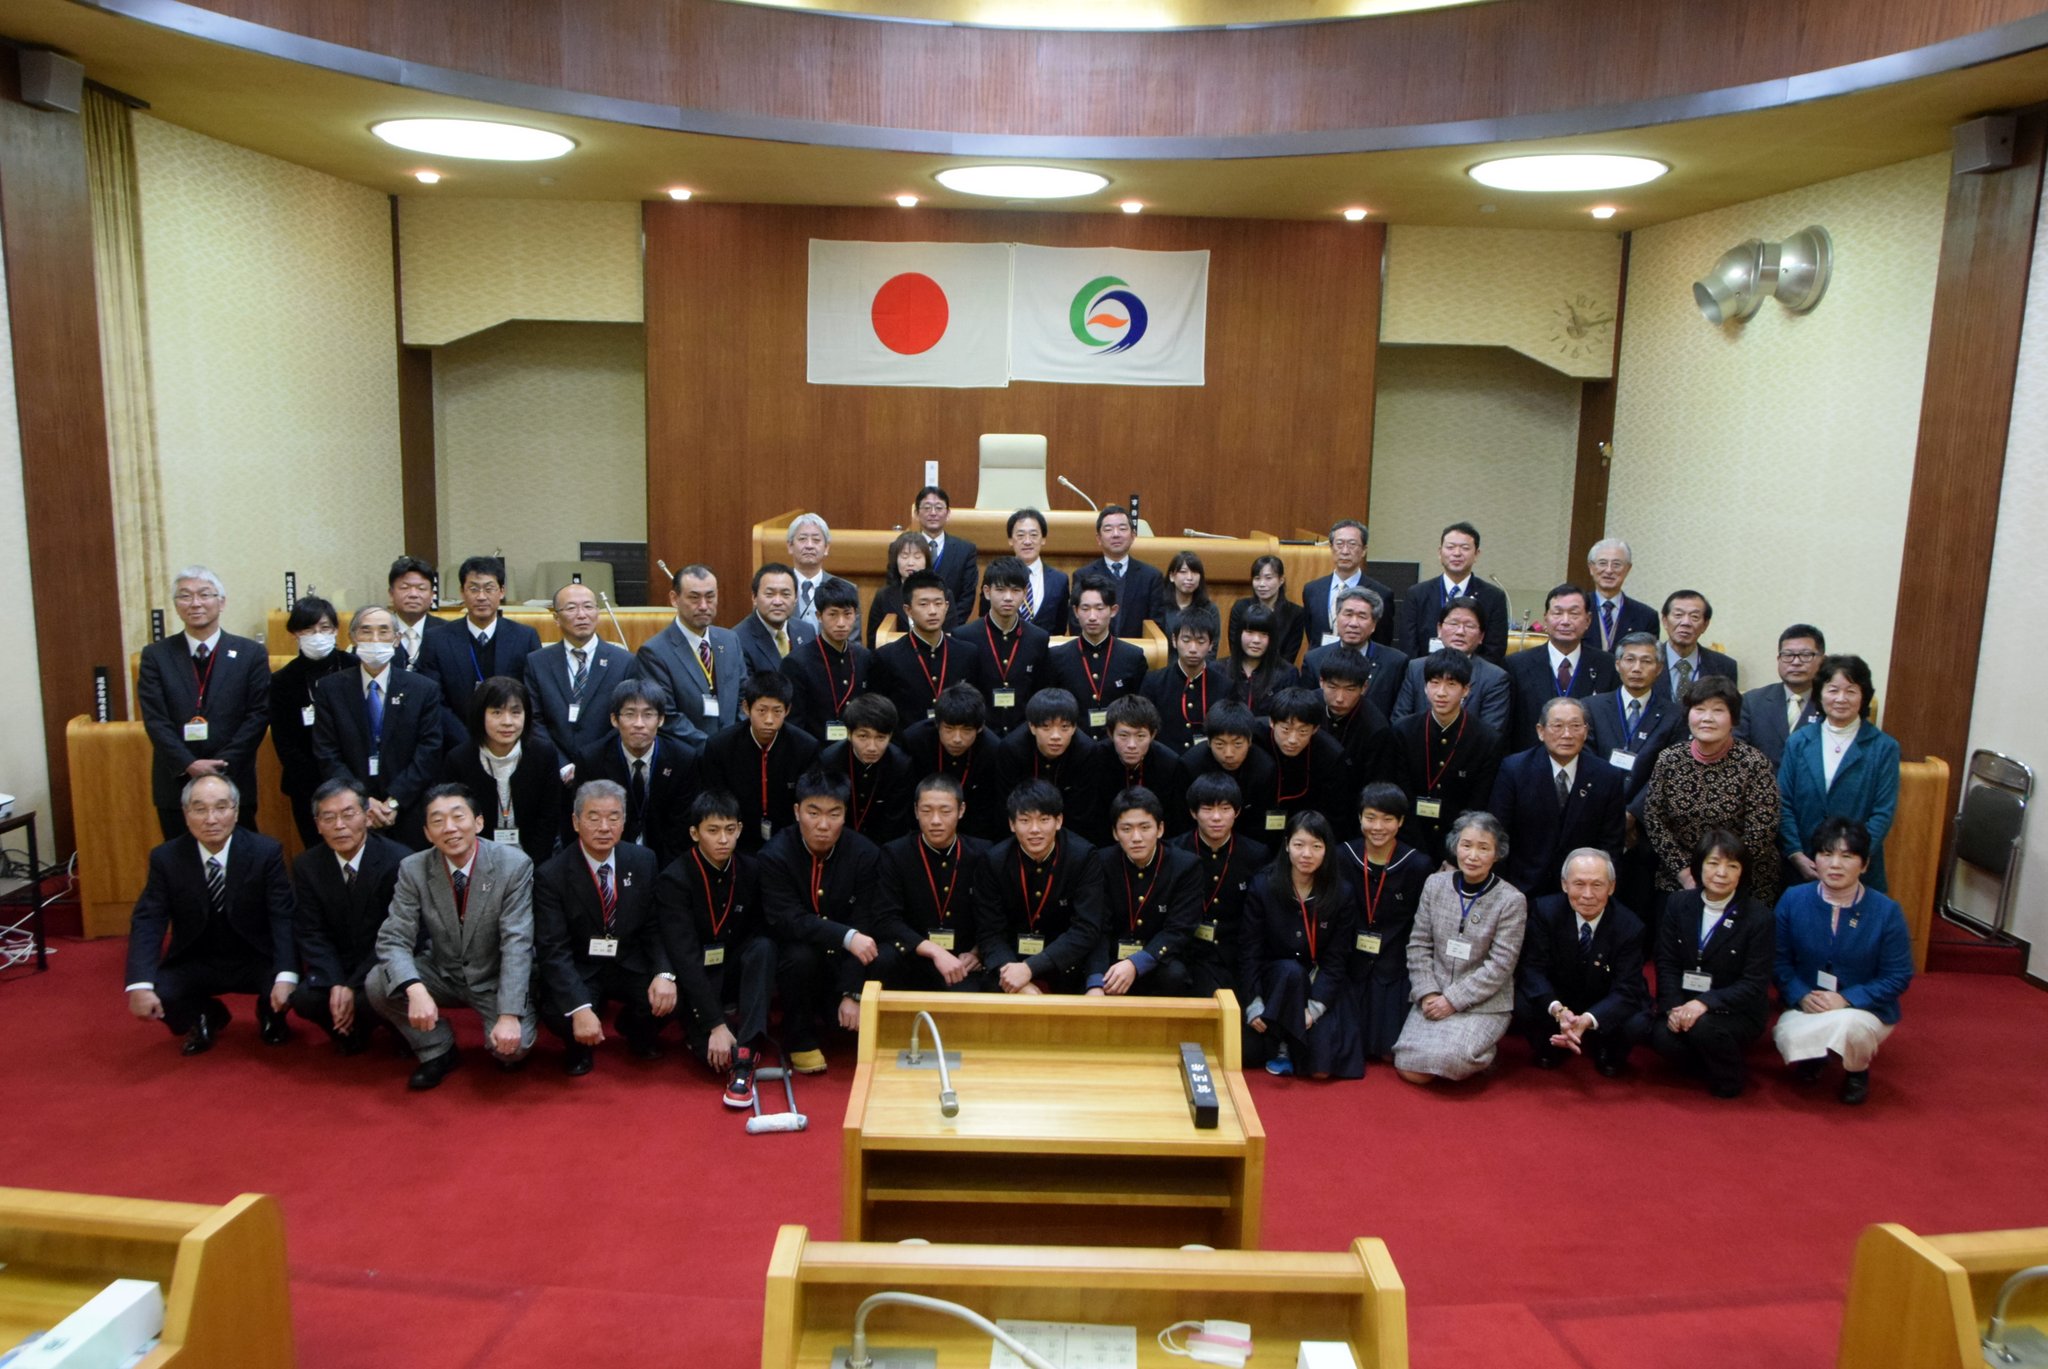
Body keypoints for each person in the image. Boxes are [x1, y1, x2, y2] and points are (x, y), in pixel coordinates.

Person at [364, 784, 539, 1090]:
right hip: (442, 970)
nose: (450, 828)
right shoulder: (413, 868)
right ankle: (437, 1047)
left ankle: (512, 1019)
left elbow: (518, 943)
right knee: (379, 983)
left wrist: (509, 1014)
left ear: (479, 822)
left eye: (458, 817)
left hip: (493, 978)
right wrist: (415, 989)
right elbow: (394, 938)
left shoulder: (514, 865)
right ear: (427, 833)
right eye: (437, 821)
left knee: (513, 1050)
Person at [124, 774, 297, 1055]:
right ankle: (205, 1015)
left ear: (236, 811)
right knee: (161, 991)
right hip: (197, 958)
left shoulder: (266, 852)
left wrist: (287, 975)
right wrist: (138, 984)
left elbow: (283, 916)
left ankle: (270, 1014)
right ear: (186, 813)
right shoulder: (166, 858)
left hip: (254, 956)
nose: (211, 819)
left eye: (220, 807)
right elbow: (148, 920)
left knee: (290, 981)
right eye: (200, 809)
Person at [531, 780, 673, 1075]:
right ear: (575, 822)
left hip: (628, 960)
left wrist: (664, 973)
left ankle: (634, 1030)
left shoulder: (643, 860)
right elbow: (552, 949)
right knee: (560, 1012)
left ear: (624, 822)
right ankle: (578, 1048)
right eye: (593, 818)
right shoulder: (552, 874)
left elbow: (654, 926)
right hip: (582, 965)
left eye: (614, 817)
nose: (604, 827)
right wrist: (580, 1008)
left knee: (674, 994)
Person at [1772, 818, 1914, 1105]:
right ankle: (1816, 1055)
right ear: (1815, 860)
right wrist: (1800, 994)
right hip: (1809, 1004)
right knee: (1786, 1036)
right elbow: (1777, 960)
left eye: (1846, 856)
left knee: (1852, 1028)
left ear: (1864, 864)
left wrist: (1846, 999)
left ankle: (1856, 1071)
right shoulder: (1793, 899)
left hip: (1863, 1008)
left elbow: (1897, 975)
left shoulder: (1886, 912)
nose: (1835, 864)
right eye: (1826, 854)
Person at [758, 768, 891, 1073]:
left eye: (834, 814)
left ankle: (839, 1004)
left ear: (845, 815)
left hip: (847, 959)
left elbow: (866, 922)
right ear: (796, 811)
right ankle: (798, 1037)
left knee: (876, 948)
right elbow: (787, 919)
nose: (823, 824)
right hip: (799, 952)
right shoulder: (775, 854)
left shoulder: (865, 854)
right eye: (813, 813)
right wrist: (846, 936)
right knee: (799, 955)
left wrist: (852, 992)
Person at [654, 789, 776, 1109]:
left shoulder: (751, 870)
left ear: (739, 829)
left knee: (763, 947)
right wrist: (715, 1024)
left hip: (733, 966)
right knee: (712, 1058)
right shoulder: (674, 878)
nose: (723, 839)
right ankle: (719, 1031)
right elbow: (684, 957)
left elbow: (758, 929)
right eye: (713, 830)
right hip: (695, 973)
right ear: (695, 833)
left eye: (730, 829)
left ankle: (747, 1052)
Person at [1634, 828, 1773, 1099]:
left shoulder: (1759, 917)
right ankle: (1707, 1061)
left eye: (1732, 866)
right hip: (1684, 1002)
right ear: (1699, 866)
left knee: (1703, 1027)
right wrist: (1674, 1008)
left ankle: (1730, 1076)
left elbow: (1754, 983)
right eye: (1713, 863)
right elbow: (1666, 961)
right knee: (1661, 1037)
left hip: (1734, 1012)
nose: (1721, 873)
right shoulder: (1678, 904)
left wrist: (1704, 1004)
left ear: (1742, 872)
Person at [1393, 810, 1527, 1083]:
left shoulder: (1512, 900)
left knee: (1450, 1060)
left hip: (1483, 1002)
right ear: (1455, 846)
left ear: (1497, 853)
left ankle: (1482, 1052)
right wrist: (1428, 992)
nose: (1473, 855)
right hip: (1435, 994)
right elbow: (1418, 944)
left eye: (1483, 848)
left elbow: (1500, 966)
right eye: (1466, 845)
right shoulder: (1435, 884)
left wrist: (1453, 1000)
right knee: (1407, 1065)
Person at [138, 566, 271, 839]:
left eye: (204, 595)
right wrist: (189, 764)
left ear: (221, 602)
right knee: (181, 865)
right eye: (185, 596)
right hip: (176, 780)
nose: (195, 603)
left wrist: (223, 764)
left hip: (234, 778)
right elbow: (155, 719)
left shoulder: (250, 653)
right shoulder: (156, 656)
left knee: (240, 863)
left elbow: (258, 715)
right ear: (176, 605)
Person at [287, 778, 407, 1055]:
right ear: (317, 825)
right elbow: (310, 931)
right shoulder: (307, 866)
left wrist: (352, 985)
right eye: (328, 818)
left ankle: (391, 1026)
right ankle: (350, 1029)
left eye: (348, 814)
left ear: (367, 817)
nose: (339, 825)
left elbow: (397, 933)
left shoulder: (397, 860)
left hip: (381, 963)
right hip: (337, 964)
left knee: (373, 996)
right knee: (304, 999)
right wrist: (335, 981)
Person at [312, 606, 446, 848]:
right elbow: (326, 752)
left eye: (383, 632)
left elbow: (429, 750)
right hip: (351, 811)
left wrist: (394, 801)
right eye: (366, 631)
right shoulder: (330, 689)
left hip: (409, 807)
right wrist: (362, 802)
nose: (375, 639)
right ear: (352, 638)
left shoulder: (423, 689)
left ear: (396, 640)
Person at [1642, 676, 1782, 908]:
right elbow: (1654, 819)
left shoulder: (1754, 763)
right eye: (1699, 709)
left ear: (1733, 719)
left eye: (1718, 711)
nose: (1707, 718)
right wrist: (1684, 872)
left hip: (1741, 878)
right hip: (1680, 877)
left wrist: (1720, 873)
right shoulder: (1670, 759)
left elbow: (1762, 829)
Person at [1240, 811, 1359, 1078]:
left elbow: (1337, 958)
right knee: (1290, 971)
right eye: (1299, 845)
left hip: (1319, 980)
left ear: (1327, 850)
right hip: (1276, 979)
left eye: (1316, 846)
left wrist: (1315, 1008)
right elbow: (1250, 950)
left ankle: (1292, 1041)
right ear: (1286, 846)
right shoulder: (1263, 885)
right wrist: (1254, 1002)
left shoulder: (1341, 893)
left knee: (1321, 1071)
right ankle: (1281, 1045)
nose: (1307, 854)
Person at [1513, 849, 1647, 1075]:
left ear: (1611, 887)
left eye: (1597, 885)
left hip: (1603, 999)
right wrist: (1558, 1009)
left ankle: (1606, 1049)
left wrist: (1589, 1018)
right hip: (1560, 997)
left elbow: (1627, 988)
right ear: (1564, 884)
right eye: (1579, 884)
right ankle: (1550, 1046)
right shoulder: (1544, 912)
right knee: (1521, 1002)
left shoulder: (1630, 926)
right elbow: (1533, 970)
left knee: (1637, 1019)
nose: (1587, 894)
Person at [1778, 654, 1901, 891]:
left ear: (1864, 695)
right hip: (1802, 864)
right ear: (1819, 693)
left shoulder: (1884, 747)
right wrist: (1795, 853)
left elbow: (1882, 813)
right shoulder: (1799, 741)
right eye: (1833, 690)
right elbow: (1783, 802)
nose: (1841, 699)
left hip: (1859, 870)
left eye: (1851, 691)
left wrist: (1851, 860)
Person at [972, 781, 1107, 994]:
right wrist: (1016, 979)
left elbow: (1086, 928)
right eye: (1025, 821)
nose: (1035, 830)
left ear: (1059, 821)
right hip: (1010, 964)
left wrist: (1031, 968)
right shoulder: (994, 861)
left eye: (1044, 820)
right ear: (1011, 824)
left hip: (1064, 963)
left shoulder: (1082, 857)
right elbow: (990, 932)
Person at [1488, 697, 1626, 897]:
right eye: (1558, 726)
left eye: (1575, 726)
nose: (1567, 734)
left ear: (1586, 731)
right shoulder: (1514, 769)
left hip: (1581, 892)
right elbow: (1498, 833)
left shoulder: (1607, 776)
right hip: (1521, 887)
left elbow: (1611, 844)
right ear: (1540, 731)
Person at [411, 555, 542, 749]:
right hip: (454, 745)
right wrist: (466, 741)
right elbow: (433, 699)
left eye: (489, 589)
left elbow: (532, 696)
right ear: (462, 592)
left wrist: (507, 734)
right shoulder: (437, 639)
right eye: (473, 589)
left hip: (512, 742)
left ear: (502, 592)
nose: (481, 596)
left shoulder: (525, 637)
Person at [878, 775, 992, 991]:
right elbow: (886, 918)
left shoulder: (983, 854)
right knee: (884, 960)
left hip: (962, 959)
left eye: (945, 811)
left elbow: (995, 915)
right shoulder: (895, 854)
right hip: (913, 955)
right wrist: (933, 950)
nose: (936, 820)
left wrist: (978, 951)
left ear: (961, 810)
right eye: (927, 811)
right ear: (915, 811)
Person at [1389, 650, 1504, 860]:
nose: (1441, 693)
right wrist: (1416, 852)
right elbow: (1400, 795)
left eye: (1451, 684)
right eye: (1434, 683)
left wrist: (1452, 857)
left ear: (1466, 690)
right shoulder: (1404, 731)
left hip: (1459, 848)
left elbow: (1477, 804)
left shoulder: (1485, 739)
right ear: (1424, 687)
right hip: (1408, 843)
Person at [1087, 788, 1201, 997]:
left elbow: (1178, 930)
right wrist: (1095, 981)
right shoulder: (1101, 863)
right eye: (1127, 829)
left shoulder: (1185, 865)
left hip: (1157, 957)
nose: (1136, 837)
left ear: (1160, 829)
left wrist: (1135, 963)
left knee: (1175, 974)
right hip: (1112, 959)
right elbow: (1098, 927)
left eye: (1145, 827)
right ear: (1115, 833)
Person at [1343, 784, 1428, 1061]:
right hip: (1349, 960)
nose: (1377, 827)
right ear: (1359, 818)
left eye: (1388, 819)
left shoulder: (1417, 865)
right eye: (1370, 817)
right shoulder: (1342, 856)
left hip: (1394, 963)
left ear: (1401, 821)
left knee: (1389, 1051)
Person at [442, 675, 564, 865]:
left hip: (535, 859)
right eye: (497, 713)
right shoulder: (459, 759)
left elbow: (548, 819)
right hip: (477, 860)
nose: (508, 722)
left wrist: (530, 866)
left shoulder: (543, 754)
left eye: (516, 713)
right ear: (480, 715)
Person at [698, 670, 822, 855]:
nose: (769, 720)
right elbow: (714, 801)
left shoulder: (805, 747)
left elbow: (809, 801)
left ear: (787, 710)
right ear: (746, 708)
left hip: (790, 841)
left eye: (777, 711)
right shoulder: (720, 746)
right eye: (762, 711)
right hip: (736, 842)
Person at [1168, 771, 1268, 997]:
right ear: (1193, 813)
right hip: (1187, 952)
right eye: (1207, 809)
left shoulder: (1255, 854)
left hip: (1234, 955)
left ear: (1237, 812)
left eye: (1224, 809)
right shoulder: (1175, 851)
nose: (1216, 817)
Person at [524, 580, 637, 776]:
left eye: (588, 607)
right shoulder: (537, 662)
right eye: (571, 608)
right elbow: (534, 720)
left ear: (598, 613)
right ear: (556, 618)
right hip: (553, 771)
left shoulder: (624, 661)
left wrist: (591, 762)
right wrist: (562, 765)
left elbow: (626, 719)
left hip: (607, 769)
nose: (581, 615)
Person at [581, 678, 696, 867]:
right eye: (630, 714)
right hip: (608, 859)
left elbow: (681, 829)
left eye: (648, 715)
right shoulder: (592, 759)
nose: (639, 724)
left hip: (666, 860)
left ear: (661, 719)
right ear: (614, 719)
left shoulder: (682, 759)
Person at [270, 594, 354, 846]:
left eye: (324, 628)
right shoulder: (283, 680)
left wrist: (347, 781)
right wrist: (320, 784)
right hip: (306, 785)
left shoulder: (354, 667)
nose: (317, 635)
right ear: (295, 633)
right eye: (308, 629)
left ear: (336, 631)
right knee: (317, 853)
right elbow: (284, 742)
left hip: (354, 780)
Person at [636, 563, 741, 750]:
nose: (703, 606)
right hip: (687, 757)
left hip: (733, 753)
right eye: (694, 598)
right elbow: (666, 715)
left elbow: (744, 697)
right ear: (674, 599)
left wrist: (737, 740)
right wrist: (713, 747)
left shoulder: (730, 639)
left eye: (710, 597)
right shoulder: (654, 652)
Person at [1502, 584, 1615, 744]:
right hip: (1530, 761)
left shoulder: (1607, 665)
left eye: (1574, 614)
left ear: (1588, 620)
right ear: (1545, 618)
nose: (1565, 621)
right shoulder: (1516, 664)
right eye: (1558, 613)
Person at [899, 683, 1008, 842]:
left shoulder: (992, 749)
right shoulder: (915, 741)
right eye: (949, 729)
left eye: (966, 730)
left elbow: (987, 808)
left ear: (979, 728)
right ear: (937, 724)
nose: (957, 739)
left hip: (973, 833)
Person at [1044, 572, 1148, 735]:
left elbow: (1139, 711)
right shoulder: (1057, 657)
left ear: (1113, 610)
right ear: (1076, 611)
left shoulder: (1133, 657)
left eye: (1099, 608)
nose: (1092, 617)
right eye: (1085, 608)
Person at [956, 555, 1050, 734]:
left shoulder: (1038, 638)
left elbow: (1039, 695)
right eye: (1000, 590)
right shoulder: (965, 636)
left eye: (1015, 590)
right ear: (986, 591)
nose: (1008, 597)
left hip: (1024, 734)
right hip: (980, 734)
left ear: (1025, 593)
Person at [1588, 631, 1681, 803]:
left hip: (1646, 813)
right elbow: (1587, 762)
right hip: (1597, 805)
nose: (1637, 668)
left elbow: (1669, 772)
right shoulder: (1592, 707)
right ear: (1617, 664)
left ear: (1659, 668)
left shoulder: (1675, 715)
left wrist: (1633, 813)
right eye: (1630, 660)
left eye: (1646, 661)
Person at [1391, 599, 1510, 732]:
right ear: (1439, 629)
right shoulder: (1416, 667)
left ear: (1481, 636)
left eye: (1469, 626)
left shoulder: (1494, 677)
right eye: (1453, 623)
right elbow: (1400, 720)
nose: (1460, 631)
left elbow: (1491, 732)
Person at [1399, 522, 1509, 664]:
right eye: (1450, 547)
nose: (1456, 553)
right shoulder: (1417, 594)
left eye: (1465, 548)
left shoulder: (1494, 597)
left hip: (1473, 680)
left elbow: (1495, 650)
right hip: (1425, 678)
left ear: (1476, 554)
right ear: (1440, 553)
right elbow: (1408, 646)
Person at [1081, 694, 1185, 842]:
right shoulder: (1094, 760)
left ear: (1153, 734)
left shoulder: (1169, 764)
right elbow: (1089, 819)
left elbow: (1175, 822)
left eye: (1140, 736)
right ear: (1110, 734)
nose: (1131, 745)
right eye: (1123, 735)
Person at [999, 689, 1101, 837]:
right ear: (1032, 727)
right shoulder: (1012, 749)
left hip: (1070, 832)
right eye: (1046, 727)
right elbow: (1007, 806)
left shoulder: (1086, 751)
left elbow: (1082, 812)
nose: (1056, 736)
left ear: (1074, 728)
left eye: (1064, 727)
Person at [783, 576, 872, 743]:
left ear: (856, 615)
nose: (841, 623)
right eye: (833, 614)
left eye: (847, 614)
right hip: (815, 753)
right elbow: (794, 724)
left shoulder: (864, 657)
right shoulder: (797, 662)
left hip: (857, 750)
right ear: (819, 616)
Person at [819, 693, 916, 845]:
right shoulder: (830, 760)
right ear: (849, 734)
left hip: (884, 843)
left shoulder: (900, 764)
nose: (872, 747)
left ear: (890, 736)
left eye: (880, 738)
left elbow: (895, 820)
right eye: (863, 737)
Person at [871, 569, 961, 725]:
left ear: (946, 606)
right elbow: (880, 713)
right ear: (908, 610)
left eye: (938, 603)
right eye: (924, 604)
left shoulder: (965, 653)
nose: (932, 611)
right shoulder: (887, 657)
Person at [1300, 588, 1405, 720]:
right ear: (1337, 618)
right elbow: (1305, 709)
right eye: (1348, 614)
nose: (1353, 623)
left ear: (1374, 624)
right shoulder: (1314, 659)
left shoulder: (1395, 662)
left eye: (1362, 616)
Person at [1178, 702, 1278, 841]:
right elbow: (1182, 818)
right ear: (1208, 742)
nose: (1229, 753)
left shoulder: (1265, 768)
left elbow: (1262, 820)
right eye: (1220, 744)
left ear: (1249, 741)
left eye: (1237, 744)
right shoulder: (1191, 765)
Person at [1142, 603, 1231, 752]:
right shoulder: (1154, 682)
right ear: (1174, 640)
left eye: (1201, 641)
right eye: (1186, 640)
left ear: (1211, 645)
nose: (1193, 649)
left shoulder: (1224, 686)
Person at [1734, 624, 1827, 767]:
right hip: (1761, 786)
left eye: (1806, 655)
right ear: (1779, 659)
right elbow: (1736, 752)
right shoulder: (1752, 702)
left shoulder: (1831, 704)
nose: (1796, 662)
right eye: (1788, 655)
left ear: (1823, 660)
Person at [1311, 649, 1395, 804]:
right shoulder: (1308, 706)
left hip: (1349, 803)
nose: (1340, 698)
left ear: (1364, 688)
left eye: (1350, 689)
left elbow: (1373, 786)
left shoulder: (1376, 727)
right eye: (1333, 687)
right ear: (1321, 681)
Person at [1070, 504, 1167, 637]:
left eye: (1122, 528)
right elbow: (1076, 623)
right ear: (1099, 538)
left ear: (1133, 536)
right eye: (1108, 529)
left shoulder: (1151, 577)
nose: (1116, 534)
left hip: (1138, 652)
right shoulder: (1083, 575)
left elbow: (1157, 625)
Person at [1265, 687, 1351, 836]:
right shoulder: (1253, 737)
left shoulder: (1331, 755)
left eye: (1303, 731)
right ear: (1272, 723)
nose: (1292, 740)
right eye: (1286, 729)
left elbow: (1334, 815)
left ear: (1315, 729)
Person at [1303, 519, 1398, 652]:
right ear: (1331, 548)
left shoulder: (1381, 593)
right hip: (1321, 665)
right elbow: (1312, 633)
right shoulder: (1312, 589)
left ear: (1364, 550)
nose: (1345, 551)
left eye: (1352, 544)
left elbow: (1383, 641)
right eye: (1339, 544)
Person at [912, 484, 980, 628]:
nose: (933, 513)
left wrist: (950, 625)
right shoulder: (903, 548)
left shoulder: (965, 550)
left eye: (938, 507)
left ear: (948, 513)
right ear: (917, 513)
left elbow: (967, 596)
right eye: (927, 507)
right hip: (911, 628)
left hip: (951, 630)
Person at [734, 561, 818, 678]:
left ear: (796, 598)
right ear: (754, 597)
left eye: (785, 594)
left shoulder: (806, 631)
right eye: (769, 594)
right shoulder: (737, 639)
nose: (778, 602)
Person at [1657, 590, 1739, 697]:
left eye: (1694, 617)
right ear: (1665, 621)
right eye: (1678, 615)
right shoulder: (1646, 661)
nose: (1686, 622)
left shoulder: (1725, 666)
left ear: (1705, 625)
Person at [1224, 600, 1299, 715]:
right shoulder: (1219, 669)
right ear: (1239, 634)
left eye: (1264, 634)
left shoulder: (1287, 674)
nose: (1256, 640)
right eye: (1250, 632)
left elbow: (1286, 717)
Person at [1230, 553, 1307, 665]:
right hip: (1244, 671)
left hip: (1279, 675)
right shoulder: (1241, 608)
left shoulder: (1295, 613)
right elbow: (1235, 647)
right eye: (1257, 578)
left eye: (1268, 578)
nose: (1261, 584)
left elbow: (1289, 655)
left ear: (1281, 580)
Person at [1585, 538, 1659, 655]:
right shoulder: (1577, 609)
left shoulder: (1646, 616)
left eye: (1616, 564)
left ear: (1628, 569)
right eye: (1603, 563)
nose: (1609, 570)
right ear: (1591, 568)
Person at [1007, 507, 1070, 634]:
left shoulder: (1059, 580)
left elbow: (1060, 625)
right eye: (1020, 535)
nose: (1027, 541)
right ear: (1010, 540)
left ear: (1043, 539)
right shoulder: (997, 577)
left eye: (1034, 535)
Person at [866, 531, 930, 646]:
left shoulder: (943, 594)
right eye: (904, 556)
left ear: (926, 561)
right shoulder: (883, 596)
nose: (911, 563)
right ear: (896, 560)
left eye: (917, 557)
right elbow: (873, 640)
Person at [386, 555, 450, 671]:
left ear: (432, 595)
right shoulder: (379, 632)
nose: (413, 594)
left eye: (421, 588)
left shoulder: (448, 632)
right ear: (391, 593)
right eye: (405, 588)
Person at [785, 512, 834, 630]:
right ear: (790, 546)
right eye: (802, 539)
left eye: (816, 540)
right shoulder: (776, 587)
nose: (809, 545)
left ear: (826, 548)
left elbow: (852, 644)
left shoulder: (842, 588)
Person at [1165, 550, 1213, 620]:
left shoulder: (1209, 610)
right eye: (1183, 572)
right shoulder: (1160, 607)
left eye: (1195, 572)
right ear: (1172, 576)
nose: (1189, 578)